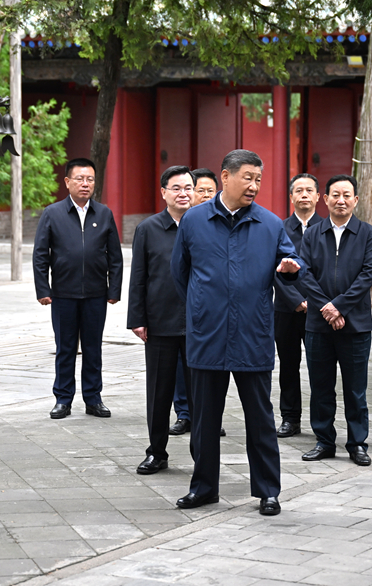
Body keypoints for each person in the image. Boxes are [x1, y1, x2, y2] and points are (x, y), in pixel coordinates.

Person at [171, 150, 302, 516]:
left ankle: (268, 491)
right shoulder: (194, 220)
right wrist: (202, 305)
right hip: (207, 334)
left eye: (258, 179)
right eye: (248, 177)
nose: (254, 186)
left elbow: (292, 264)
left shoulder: (270, 224)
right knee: (204, 420)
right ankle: (203, 488)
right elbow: (180, 273)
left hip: (252, 334)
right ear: (226, 177)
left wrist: (291, 269)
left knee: (260, 418)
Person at [298, 175, 372, 466]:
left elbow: (367, 275)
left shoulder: (368, 233)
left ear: (355, 200)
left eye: (347, 195)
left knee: (356, 389)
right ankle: (324, 441)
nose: (341, 200)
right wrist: (327, 308)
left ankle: (357, 443)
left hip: (356, 325)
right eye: (335, 195)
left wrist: (340, 307)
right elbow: (304, 273)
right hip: (318, 325)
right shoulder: (312, 234)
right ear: (325, 199)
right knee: (320, 387)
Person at [33, 158, 123, 420]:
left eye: (90, 179)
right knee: (66, 349)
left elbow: (115, 256)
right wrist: (43, 289)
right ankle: (63, 399)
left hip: (96, 294)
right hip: (63, 294)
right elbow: (40, 254)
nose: (85, 184)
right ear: (67, 182)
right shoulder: (53, 213)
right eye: (80, 179)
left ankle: (93, 399)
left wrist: (114, 290)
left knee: (93, 349)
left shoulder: (104, 213)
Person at [128, 165, 195, 475]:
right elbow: (138, 277)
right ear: (164, 192)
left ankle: (202, 454)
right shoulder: (148, 229)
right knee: (159, 393)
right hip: (160, 323)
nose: (183, 193)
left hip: (199, 326)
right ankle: (157, 452)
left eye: (188, 187)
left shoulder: (204, 226)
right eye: (176, 188)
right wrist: (137, 318)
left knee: (201, 394)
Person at [169, 167, 219, 436]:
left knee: (210, 367)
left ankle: (209, 416)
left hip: (210, 312)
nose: (206, 195)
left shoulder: (219, 226)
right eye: (201, 190)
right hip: (179, 306)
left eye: (211, 191)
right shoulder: (185, 223)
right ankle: (184, 413)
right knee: (181, 364)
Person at [274, 174, 323, 438]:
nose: (304, 194)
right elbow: (273, 269)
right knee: (288, 366)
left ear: (318, 197)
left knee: (320, 367)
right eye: (299, 190)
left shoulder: (327, 228)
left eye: (309, 190)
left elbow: (327, 271)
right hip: (286, 310)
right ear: (291, 196)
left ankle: (321, 421)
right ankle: (290, 418)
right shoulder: (278, 228)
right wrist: (295, 301)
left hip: (319, 311)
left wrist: (313, 302)